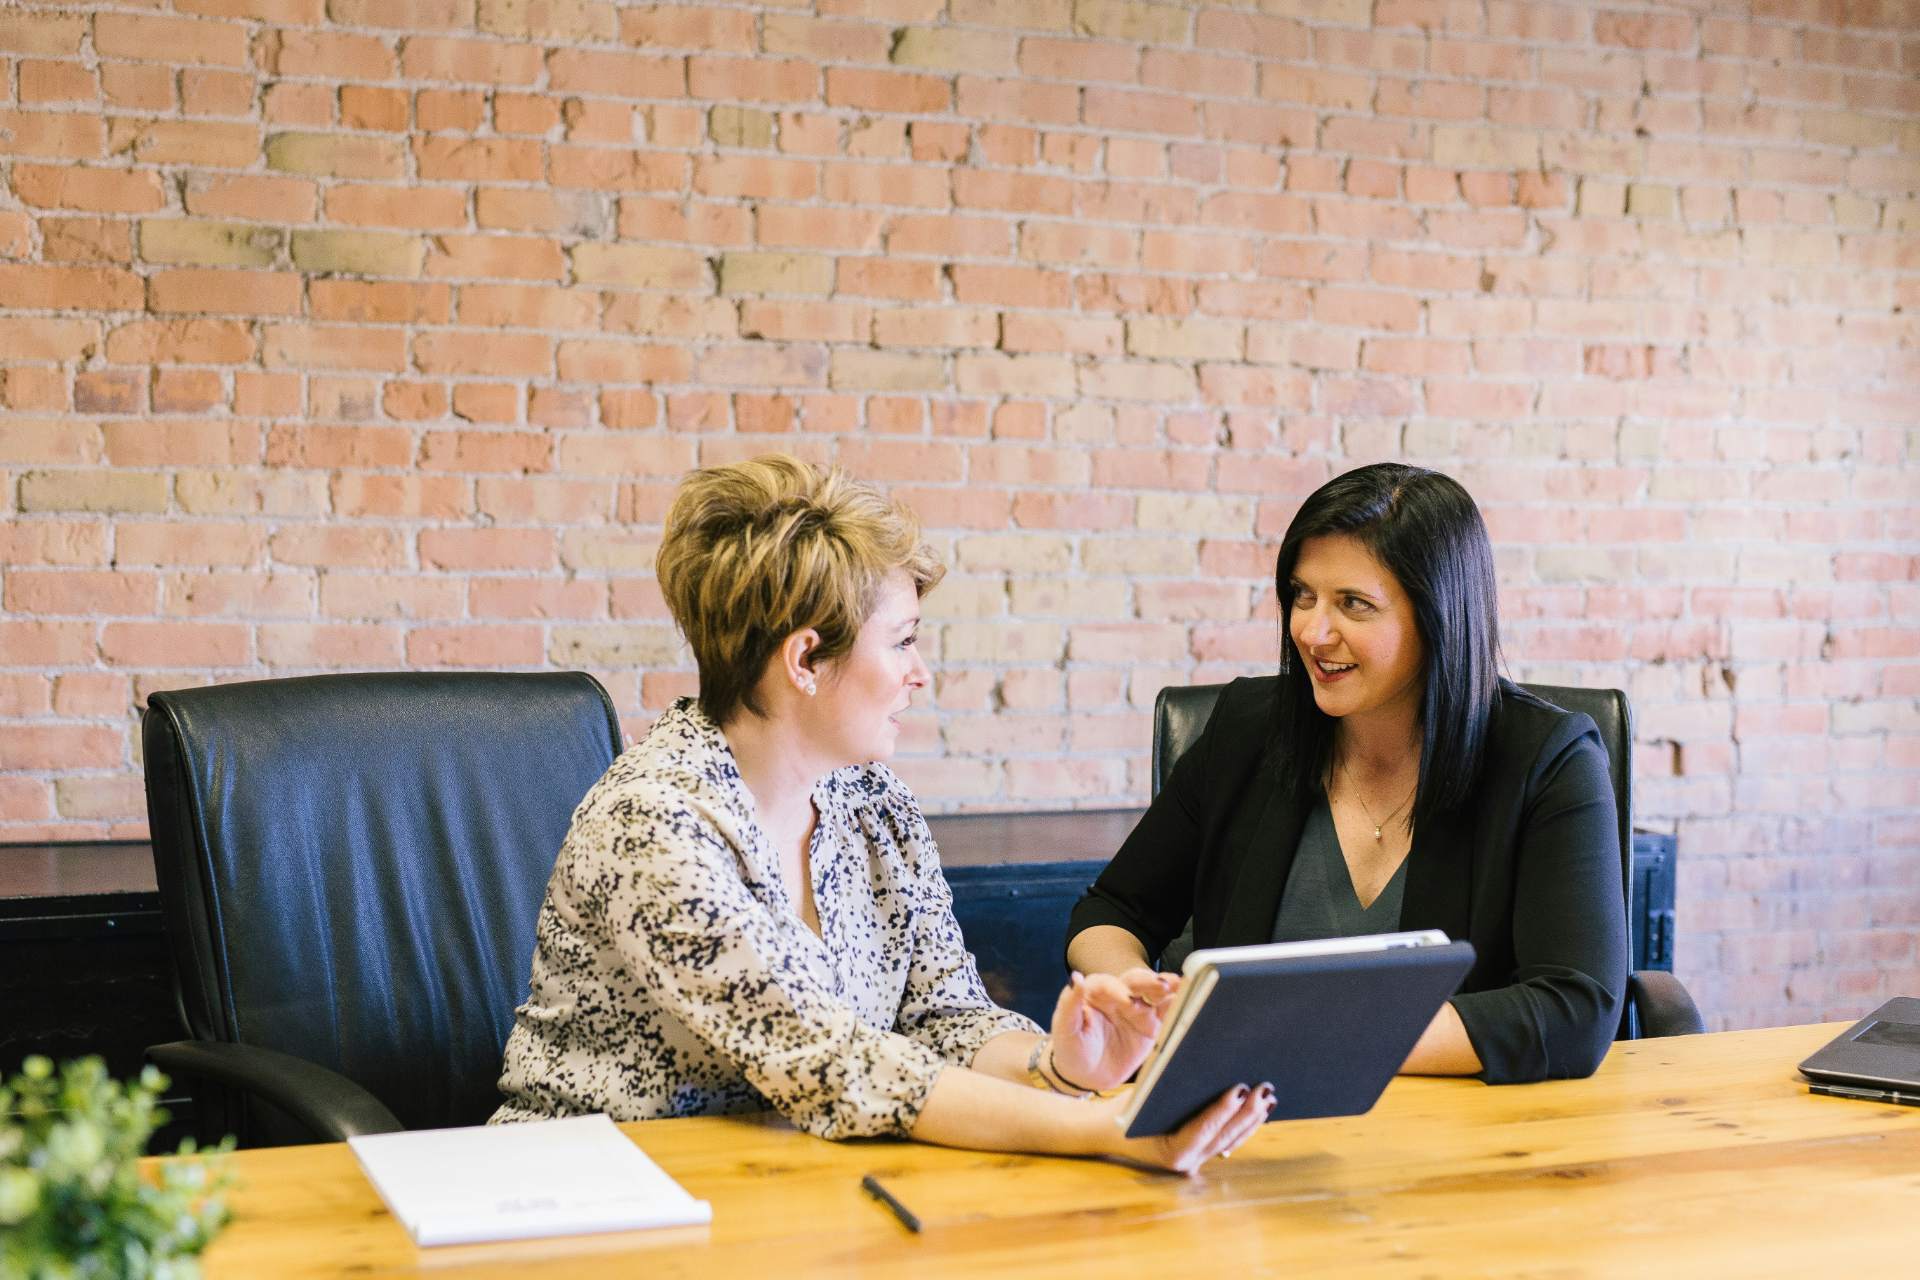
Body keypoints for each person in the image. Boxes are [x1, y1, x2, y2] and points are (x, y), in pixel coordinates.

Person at [493, 455, 1271, 1172]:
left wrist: (1061, 1067)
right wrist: (1107, 1128)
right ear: (804, 660)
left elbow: (945, 1016)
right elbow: (834, 1064)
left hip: (789, 1183)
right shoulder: (653, 824)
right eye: (902, 642)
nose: (920, 674)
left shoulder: (872, 802)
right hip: (589, 1192)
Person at [1066, 462, 1628, 1083]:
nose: (1312, 630)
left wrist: (1298, 1037)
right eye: (1303, 596)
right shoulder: (1249, 730)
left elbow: (1575, 1009)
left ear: (1439, 616)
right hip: (1243, 1124)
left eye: (1354, 604)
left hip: (1458, 1135)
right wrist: (1132, 994)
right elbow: (1111, 911)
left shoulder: (1548, 760)